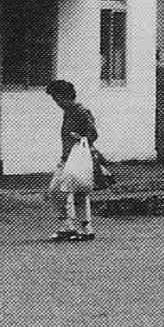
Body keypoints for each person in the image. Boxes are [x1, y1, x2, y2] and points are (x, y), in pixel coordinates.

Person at [45, 78, 99, 241]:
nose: (56, 102)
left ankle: (70, 226)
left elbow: (93, 134)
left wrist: (80, 137)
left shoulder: (80, 111)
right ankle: (83, 228)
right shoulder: (70, 112)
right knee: (77, 192)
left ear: (64, 96)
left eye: (57, 98)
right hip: (69, 157)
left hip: (76, 158)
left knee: (58, 190)